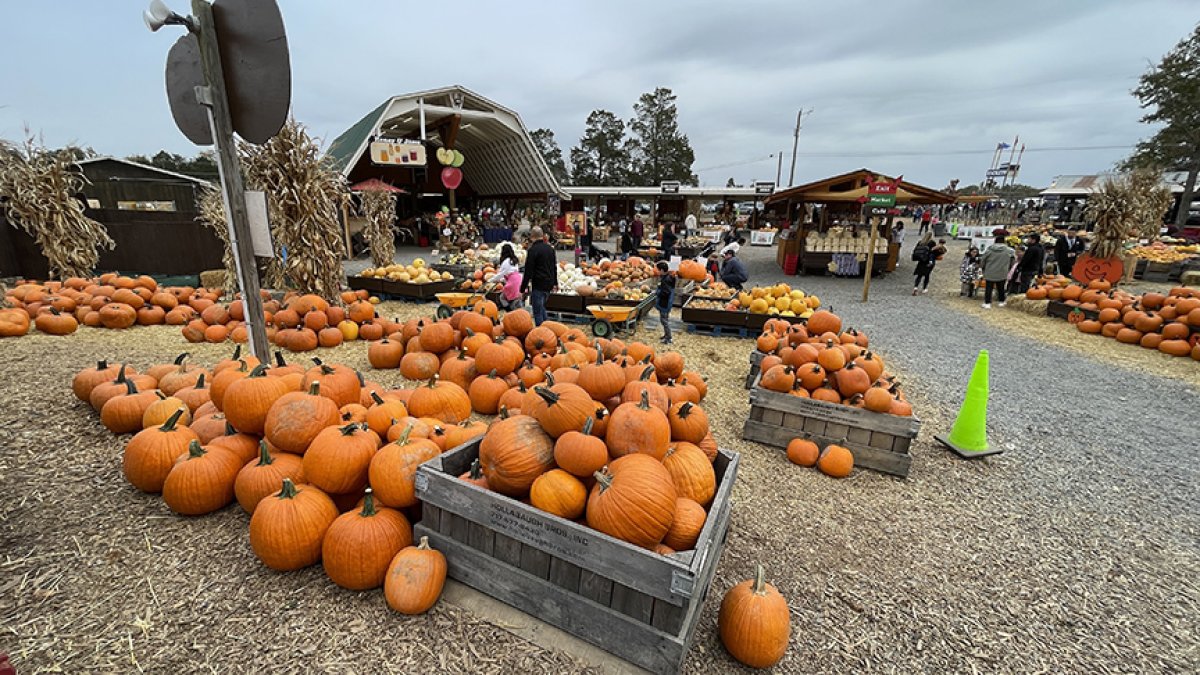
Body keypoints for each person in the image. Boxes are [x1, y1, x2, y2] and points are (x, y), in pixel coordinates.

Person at [520, 227, 557, 325]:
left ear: (532, 237)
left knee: (537, 311)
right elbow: (554, 267)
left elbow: (528, 271)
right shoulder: (550, 249)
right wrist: (555, 282)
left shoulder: (533, 250)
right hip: (548, 284)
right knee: (542, 307)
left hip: (538, 284)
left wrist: (522, 288)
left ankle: (541, 331)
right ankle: (548, 328)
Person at [980, 233, 1016, 308]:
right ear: (1004, 242)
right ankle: (1001, 301)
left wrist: (982, 267)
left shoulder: (989, 250)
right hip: (1002, 271)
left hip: (990, 271)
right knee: (1001, 287)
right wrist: (1010, 268)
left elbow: (983, 260)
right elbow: (1013, 260)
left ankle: (987, 303)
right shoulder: (1009, 251)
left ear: (995, 241)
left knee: (989, 288)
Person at [655, 261, 676, 344]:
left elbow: (665, 292)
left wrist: (657, 293)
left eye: (658, 270)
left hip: (664, 303)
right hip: (667, 302)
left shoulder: (665, 280)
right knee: (665, 319)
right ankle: (666, 335)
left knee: (664, 320)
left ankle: (669, 338)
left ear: (662, 270)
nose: (657, 271)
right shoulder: (669, 277)